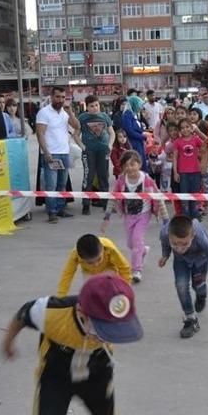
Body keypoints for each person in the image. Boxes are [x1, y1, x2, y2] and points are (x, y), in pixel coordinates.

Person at [1, 273, 143, 415]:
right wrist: (8, 342)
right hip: (55, 375)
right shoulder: (50, 313)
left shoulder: (110, 320)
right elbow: (22, 315)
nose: (107, 336)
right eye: (102, 330)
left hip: (98, 371)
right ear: (81, 312)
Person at [103, 150, 169, 282]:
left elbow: (158, 197)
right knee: (131, 243)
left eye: (132, 164)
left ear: (139, 164)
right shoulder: (121, 180)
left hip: (144, 214)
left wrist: (165, 218)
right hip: (128, 214)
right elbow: (113, 198)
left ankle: (136, 270)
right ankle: (143, 250)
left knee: (137, 240)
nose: (129, 168)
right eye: (126, 165)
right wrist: (107, 216)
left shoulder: (147, 180)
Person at [158, 215, 208, 339]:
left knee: (199, 285)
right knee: (181, 286)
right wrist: (165, 255)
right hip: (181, 261)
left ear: (193, 236)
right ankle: (190, 319)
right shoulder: (164, 233)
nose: (179, 248)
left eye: (184, 244)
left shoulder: (201, 237)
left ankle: (201, 294)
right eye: (175, 243)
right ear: (169, 236)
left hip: (200, 259)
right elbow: (165, 244)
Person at [36, 87, 80, 223]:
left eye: (63, 97)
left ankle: (60, 208)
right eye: (58, 97)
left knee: (62, 184)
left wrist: (70, 112)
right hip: (51, 154)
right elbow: (40, 133)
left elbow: (77, 126)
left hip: (64, 153)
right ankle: (52, 212)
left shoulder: (64, 113)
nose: (60, 100)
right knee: (51, 185)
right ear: (51, 97)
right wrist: (46, 152)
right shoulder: (44, 113)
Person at [57, 234, 132, 297]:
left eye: (99, 259)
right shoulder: (75, 255)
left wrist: (125, 289)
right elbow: (67, 274)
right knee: (92, 295)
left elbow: (124, 267)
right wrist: (61, 296)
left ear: (103, 250)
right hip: (89, 273)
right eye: (90, 262)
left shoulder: (110, 248)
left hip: (108, 270)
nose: (96, 264)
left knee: (111, 293)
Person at [78, 95, 116, 215]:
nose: (95, 108)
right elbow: (75, 134)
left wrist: (110, 145)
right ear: (87, 107)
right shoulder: (82, 118)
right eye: (91, 106)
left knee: (103, 176)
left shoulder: (105, 116)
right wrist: (83, 147)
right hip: (89, 152)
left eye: (96, 105)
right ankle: (85, 204)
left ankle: (105, 203)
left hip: (103, 151)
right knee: (88, 177)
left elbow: (112, 133)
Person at [173, 118, 207, 219]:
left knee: (195, 195)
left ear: (191, 128)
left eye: (187, 127)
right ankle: (185, 216)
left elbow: (206, 141)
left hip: (196, 172)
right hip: (183, 173)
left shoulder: (196, 139)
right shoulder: (177, 142)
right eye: (182, 128)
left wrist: (198, 131)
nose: (185, 129)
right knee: (184, 196)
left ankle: (195, 215)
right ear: (179, 130)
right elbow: (175, 157)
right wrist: (175, 172)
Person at [121, 95, 149, 172]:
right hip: (133, 143)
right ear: (134, 105)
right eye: (139, 105)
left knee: (141, 164)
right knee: (136, 165)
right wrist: (143, 137)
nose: (140, 107)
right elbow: (129, 131)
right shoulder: (127, 115)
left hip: (138, 142)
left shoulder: (134, 114)